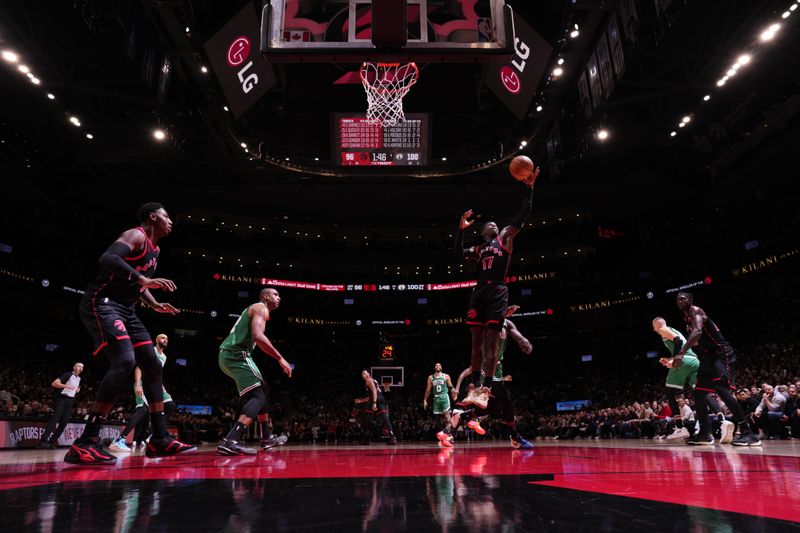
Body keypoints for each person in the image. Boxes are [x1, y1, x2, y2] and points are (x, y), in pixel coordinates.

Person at [71, 202, 193, 464]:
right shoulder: (136, 235)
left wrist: (153, 303)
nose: (170, 221)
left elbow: (139, 283)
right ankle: (86, 442)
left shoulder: (156, 249)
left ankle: (159, 439)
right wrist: (143, 280)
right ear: (153, 217)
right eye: (167, 216)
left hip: (127, 309)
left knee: (152, 364)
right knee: (125, 361)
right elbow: (108, 258)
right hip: (102, 302)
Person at [453, 167, 539, 408]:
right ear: (482, 232)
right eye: (487, 224)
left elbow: (524, 213)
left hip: (498, 291)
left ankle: (486, 389)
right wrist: (460, 230)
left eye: (494, 222)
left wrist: (529, 188)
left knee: (492, 344)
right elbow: (458, 254)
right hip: (479, 292)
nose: (492, 223)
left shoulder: (505, 238)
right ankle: (474, 387)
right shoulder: (479, 250)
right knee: (476, 344)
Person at [438, 306, 534, 449]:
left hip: (498, 370)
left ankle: (457, 423)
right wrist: (457, 388)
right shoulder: (486, 322)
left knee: (494, 407)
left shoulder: (507, 324)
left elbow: (517, 334)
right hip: (485, 369)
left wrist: (524, 341)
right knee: (506, 400)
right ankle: (515, 437)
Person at [673, 292, 759, 446]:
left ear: (691, 300)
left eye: (683, 298)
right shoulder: (686, 317)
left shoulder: (695, 311)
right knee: (699, 393)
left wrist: (681, 353)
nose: (680, 301)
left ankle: (749, 433)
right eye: (678, 299)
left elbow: (698, 332)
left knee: (721, 389)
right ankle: (705, 434)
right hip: (708, 356)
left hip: (721, 353)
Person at [217, 288, 292, 456]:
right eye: (276, 294)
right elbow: (258, 335)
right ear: (266, 296)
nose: (279, 298)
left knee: (263, 390)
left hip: (232, 355)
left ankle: (266, 438)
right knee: (258, 395)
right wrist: (280, 358)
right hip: (236, 354)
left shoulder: (258, 309)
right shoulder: (261, 308)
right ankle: (230, 440)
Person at [111, 334, 176, 451]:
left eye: (167, 338)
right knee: (142, 410)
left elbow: (157, 373)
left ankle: (154, 435)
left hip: (155, 385)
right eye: (162, 338)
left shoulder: (164, 357)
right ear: (156, 340)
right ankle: (119, 439)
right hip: (143, 383)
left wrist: (162, 387)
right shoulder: (151, 351)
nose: (165, 340)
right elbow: (139, 368)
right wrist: (138, 384)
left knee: (170, 405)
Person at [38, 362, 84, 449]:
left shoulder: (79, 379)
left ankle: (52, 442)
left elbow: (73, 389)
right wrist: (66, 386)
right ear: (74, 367)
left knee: (64, 422)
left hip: (70, 401)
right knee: (55, 419)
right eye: (79, 366)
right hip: (62, 399)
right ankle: (43, 441)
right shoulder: (68, 375)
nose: (80, 368)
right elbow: (54, 383)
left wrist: (77, 389)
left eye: (82, 367)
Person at [355, 370, 397, 445]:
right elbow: (371, 395)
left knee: (364, 419)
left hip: (376, 399)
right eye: (362, 373)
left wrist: (374, 403)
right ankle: (392, 437)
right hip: (380, 398)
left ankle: (366, 439)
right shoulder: (373, 380)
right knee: (385, 419)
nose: (363, 374)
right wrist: (361, 401)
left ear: (369, 374)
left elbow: (374, 390)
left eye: (364, 373)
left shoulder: (368, 379)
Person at [423, 363, 455, 430]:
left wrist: (454, 393)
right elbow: (428, 390)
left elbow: (451, 386)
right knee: (436, 419)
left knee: (447, 416)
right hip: (436, 399)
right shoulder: (431, 377)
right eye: (436, 365)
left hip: (444, 397)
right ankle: (443, 433)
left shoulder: (446, 376)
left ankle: (449, 434)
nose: (437, 366)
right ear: (434, 368)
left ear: (441, 368)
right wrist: (425, 400)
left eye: (439, 365)